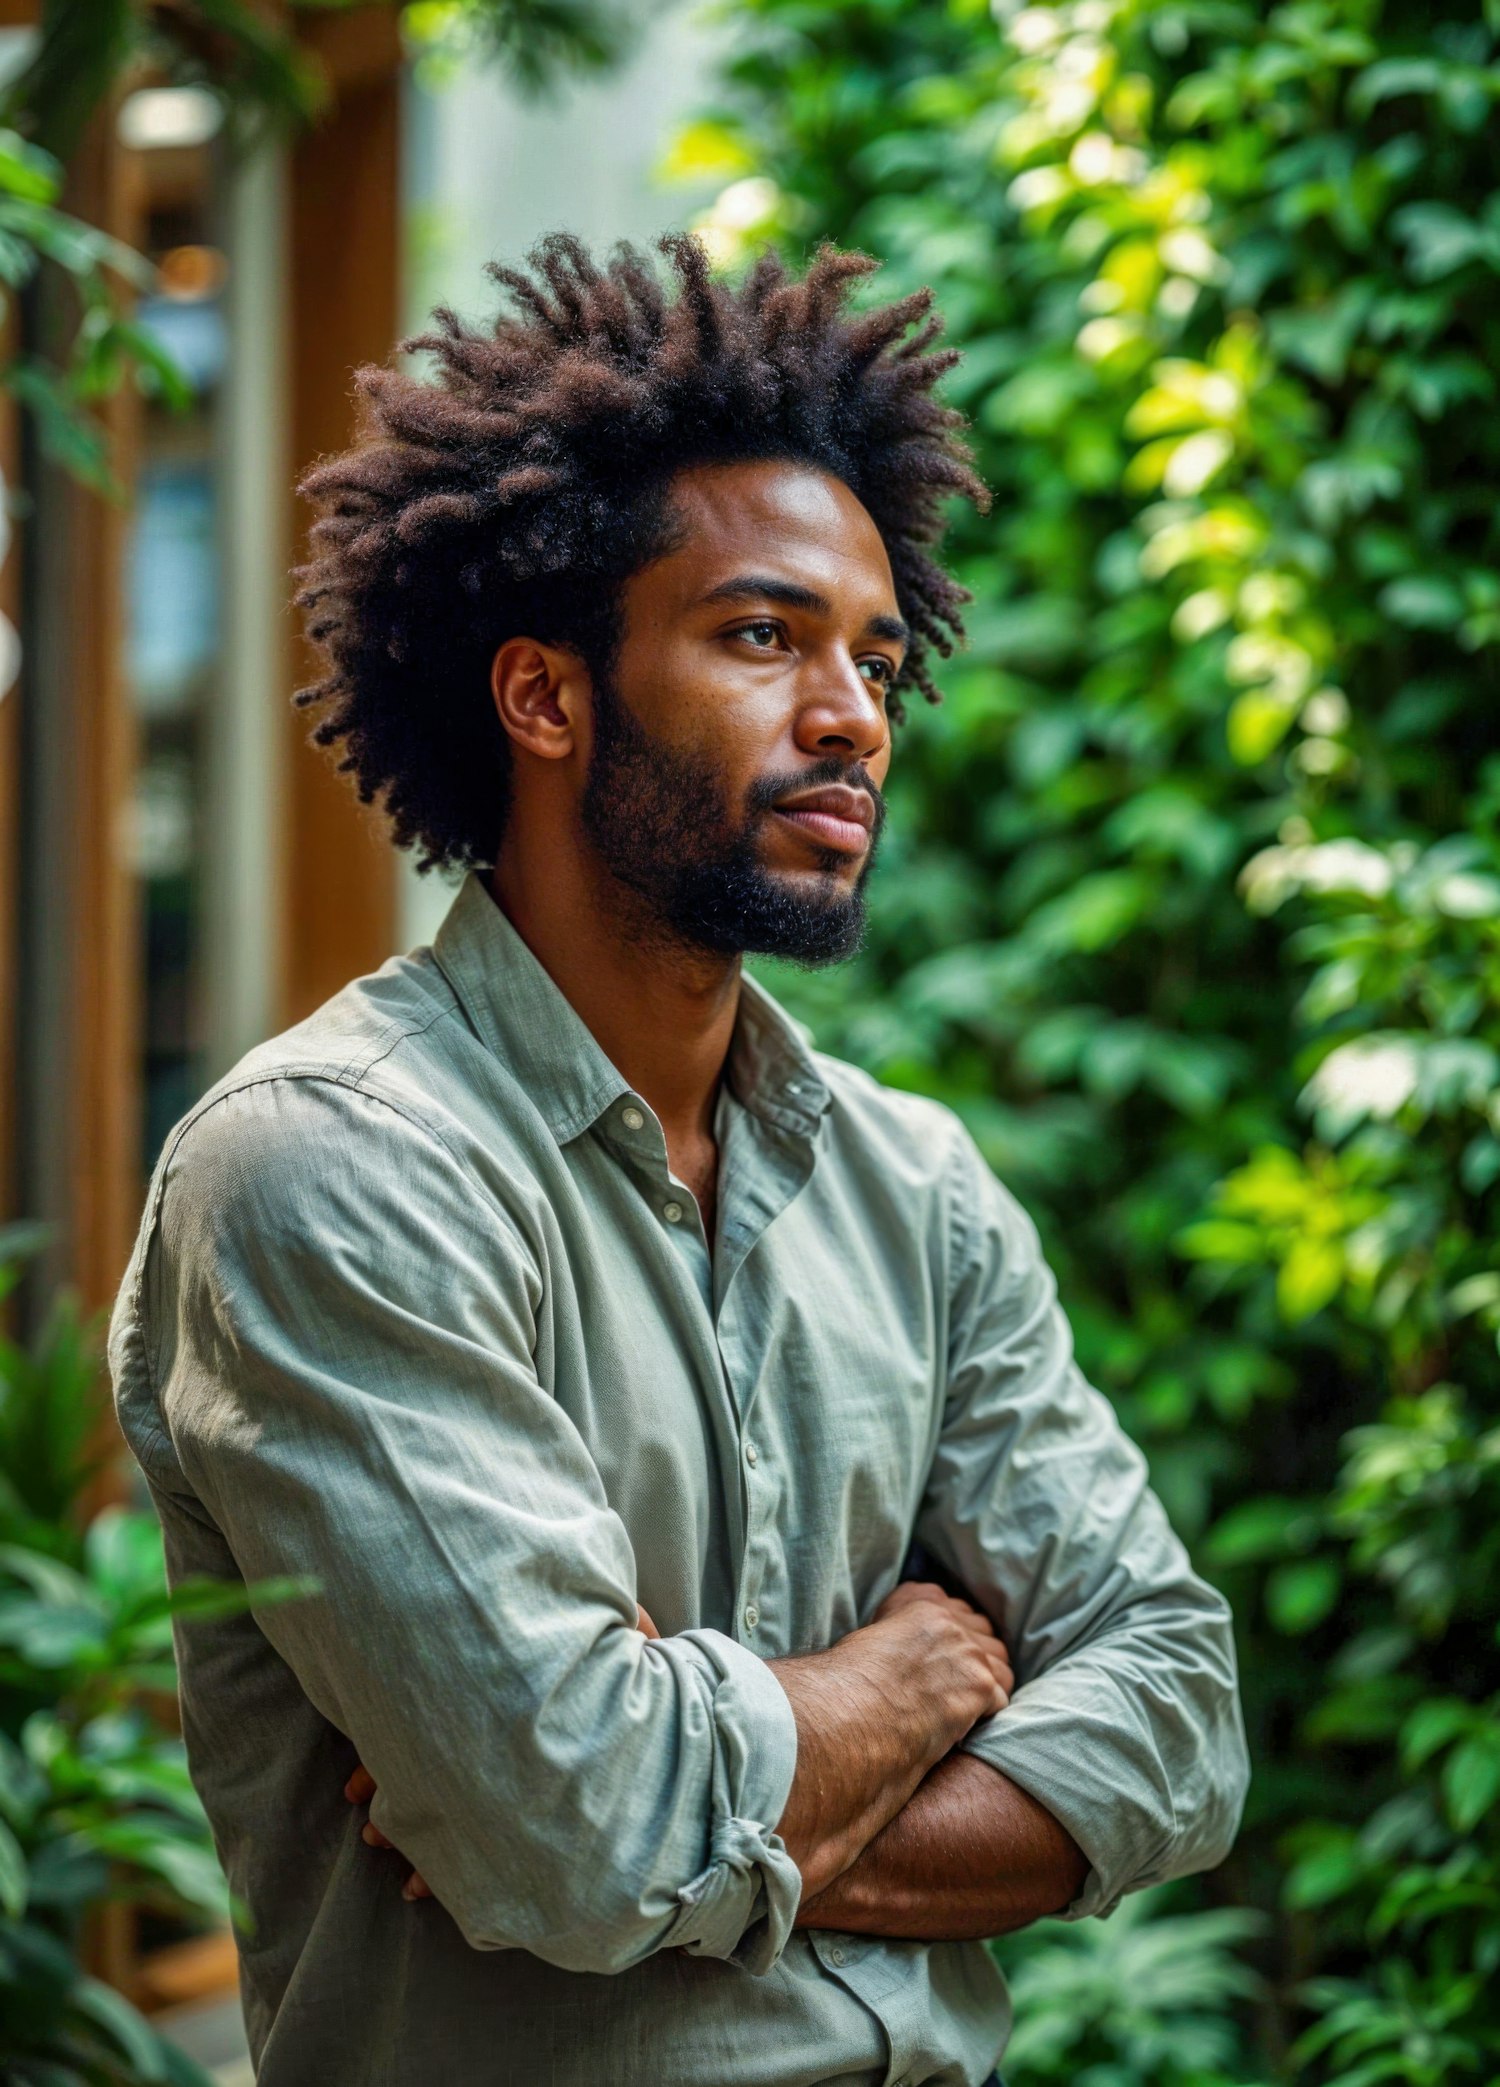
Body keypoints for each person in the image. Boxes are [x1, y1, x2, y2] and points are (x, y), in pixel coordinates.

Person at [110, 231, 1249, 2087]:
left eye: (876, 659)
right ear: (546, 697)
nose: (853, 716)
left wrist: (693, 1813)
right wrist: (927, 1676)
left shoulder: (916, 1186)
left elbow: (1180, 1712)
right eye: (760, 638)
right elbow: (575, 1821)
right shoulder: (330, 1170)